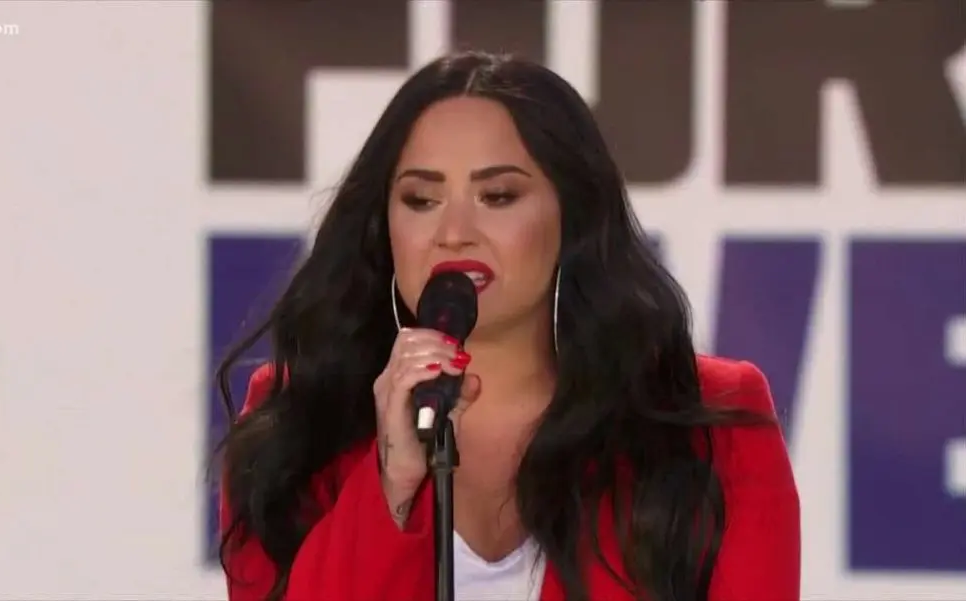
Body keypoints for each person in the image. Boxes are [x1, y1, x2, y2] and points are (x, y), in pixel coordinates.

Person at [215, 51, 800, 601]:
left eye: (497, 196)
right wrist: (392, 482)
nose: (454, 233)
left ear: (572, 218)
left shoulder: (712, 421)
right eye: (421, 200)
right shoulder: (295, 421)